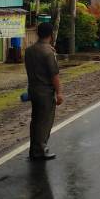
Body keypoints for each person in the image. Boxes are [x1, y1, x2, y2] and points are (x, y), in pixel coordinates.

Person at [24, 22, 63, 160]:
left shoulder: (29, 51)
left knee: (35, 120)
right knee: (44, 121)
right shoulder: (48, 52)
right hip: (45, 92)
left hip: (33, 89)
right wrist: (59, 93)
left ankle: (34, 149)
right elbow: (54, 75)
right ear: (51, 35)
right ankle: (40, 150)